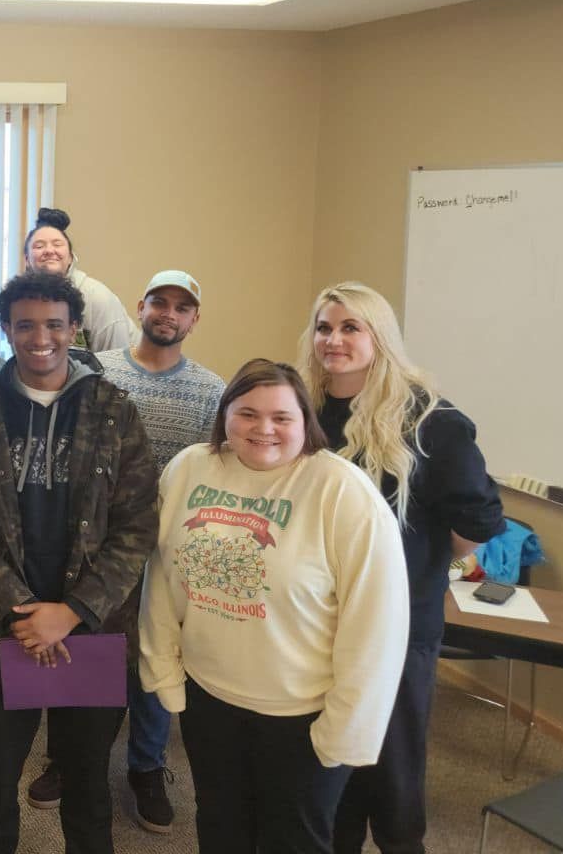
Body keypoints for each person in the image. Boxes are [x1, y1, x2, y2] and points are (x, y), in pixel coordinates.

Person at [139, 359, 410, 854]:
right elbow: (161, 576)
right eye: (247, 413)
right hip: (209, 698)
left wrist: (345, 729)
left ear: (305, 422)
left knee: (295, 839)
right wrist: (163, 671)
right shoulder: (190, 468)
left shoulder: (342, 492)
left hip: (302, 714)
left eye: (281, 418)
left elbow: (377, 626)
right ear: (225, 416)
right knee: (220, 826)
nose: (263, 429)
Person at [0, 269, 156, 854]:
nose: (41, 338)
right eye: (25, 325)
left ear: (74, 328)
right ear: (5, 329)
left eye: (54, 325)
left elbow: (137, 527)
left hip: (93, 630)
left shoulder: (114, 411)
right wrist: (29, 609)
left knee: (86, 785)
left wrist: (74, 611)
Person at [300, 284, 505, 854]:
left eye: (350, 328)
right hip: (319, 620)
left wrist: (417, 562)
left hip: (399, 626)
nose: (333, 340)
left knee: (390, 775)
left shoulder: (431, 421)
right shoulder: (307, 410)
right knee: (329, 767)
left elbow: (480, 523)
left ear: (379, 337)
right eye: (323, 327)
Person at [26, 270, 224, 828]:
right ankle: (67, 758)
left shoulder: (212, 391)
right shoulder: (96, 371)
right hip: (93, 547)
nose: (168, 314)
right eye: (159, 302)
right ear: (141, 306)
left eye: (181, 307)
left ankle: (145, 765)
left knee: (154, 661)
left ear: (194, 319)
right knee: (87, 646)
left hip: (167, 553)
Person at [21, 207, 136, 354]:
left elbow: (116, 364)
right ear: (27, 260)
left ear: (70, 257)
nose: (49, 251)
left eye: (57, 244)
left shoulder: (97, 298)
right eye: (39, 246)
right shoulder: (22, 303)